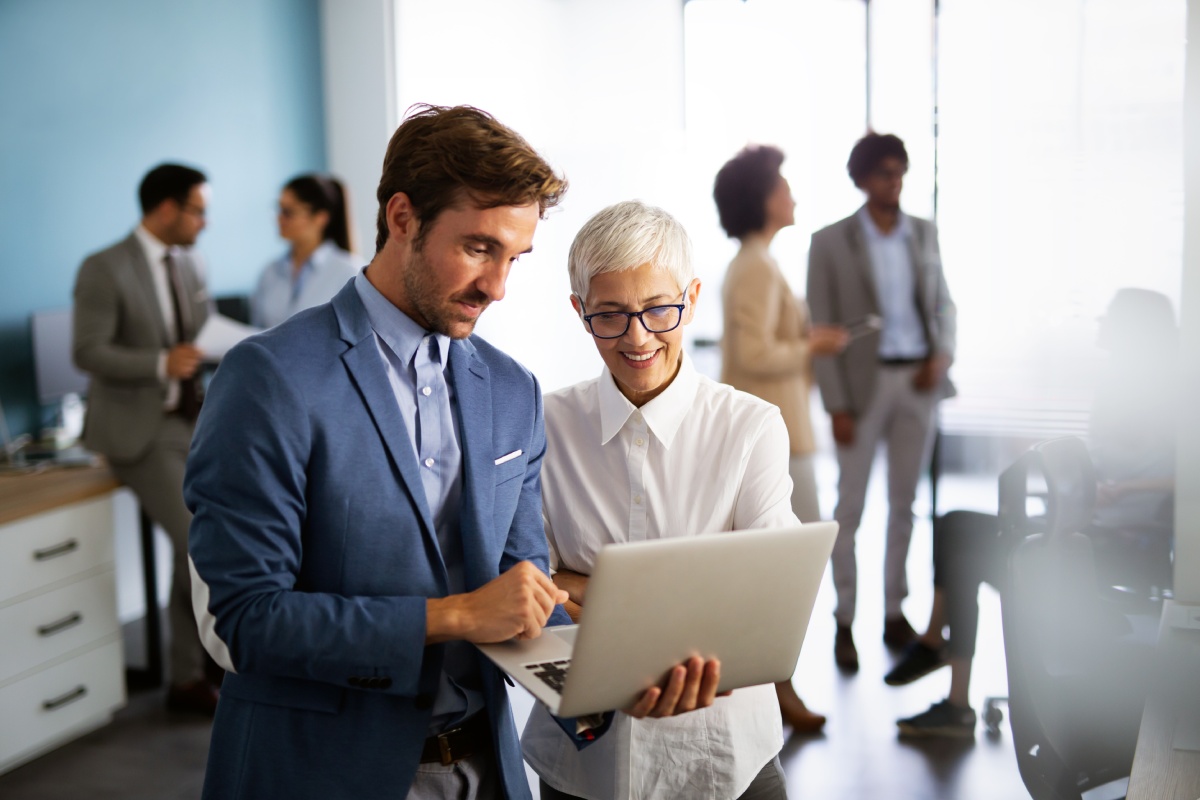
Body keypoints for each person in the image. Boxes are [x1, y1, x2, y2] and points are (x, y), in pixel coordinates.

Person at [185, 106, 715, 800]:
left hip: (483, 772)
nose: (497, 286)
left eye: (514, 258)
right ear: (401, 217)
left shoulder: (508, 388)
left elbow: (521, 590)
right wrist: (455, 615)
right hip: (319, 772)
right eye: (478, 248)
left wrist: (616, 682)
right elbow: (250, 621)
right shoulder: (270, 377)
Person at [522, 200, 800, 800]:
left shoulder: (749, 428)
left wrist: (587, 586)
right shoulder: (543, 425)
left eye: (657, 309)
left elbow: (768, 601)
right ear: (580, 312)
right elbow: (526, 586)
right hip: (580, 766)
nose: (637, 336)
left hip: (723, 756)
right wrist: (695, 598)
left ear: (692, 298)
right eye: (611, 315)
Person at [887, 288, 1177, 738]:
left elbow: (1188, 479)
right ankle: (940, 663)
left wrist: (1125, 489)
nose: (1100, 323)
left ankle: (947, 678)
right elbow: (1096, 461)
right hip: (1083, 526)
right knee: (955, 526)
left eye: (1111, 316)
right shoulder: (1113, 387)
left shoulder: (1176, 399)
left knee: (962, 541)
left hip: (1114, 544)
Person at [806, 132, 957, 673]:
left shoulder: (923, 232)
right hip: (861, 391)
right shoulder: (829, 242)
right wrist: (836, 405)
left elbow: (942, 302)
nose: (894, 182)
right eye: (884, 172)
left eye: (900, 172)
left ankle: (895, 613)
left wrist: (943, 354)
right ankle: (844, 619)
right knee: (850, 510)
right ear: (861, 178)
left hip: (918, 380)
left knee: (905, 506)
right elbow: (819, 328)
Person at [72, 163, 218, 714]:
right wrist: (160, 362)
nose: (205, 222)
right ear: (165, 208)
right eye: (198, 210)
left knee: (207, 537)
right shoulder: (105, 268)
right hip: (138, 430)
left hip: (193, 421)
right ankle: (188, 676)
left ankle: (198, 663)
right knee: (195, 542)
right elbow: (87, 350)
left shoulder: (191, 263)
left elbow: (200, 333)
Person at [713, 145, 848, 733]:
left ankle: (775, 686)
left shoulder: (761, 262)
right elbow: (754, 353)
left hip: (784, 429)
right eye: (784, 186)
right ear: (763, 199)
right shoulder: (754, 266)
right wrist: (812, 346)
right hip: (775, 436)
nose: (792, 195)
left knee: (779, 568)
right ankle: (772, 687)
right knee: (786, 568)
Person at [251, 173, 359, 328]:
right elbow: (256, 331)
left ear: (321, 218)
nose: (279, 218)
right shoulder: (269, 273)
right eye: (279, 209)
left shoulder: (349, 273)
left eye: (288, 212)